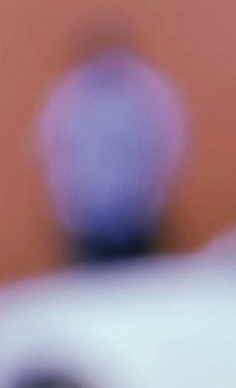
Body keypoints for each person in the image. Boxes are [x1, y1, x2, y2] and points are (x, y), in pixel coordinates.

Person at [36, 42, 187, 263]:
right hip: (87, 218)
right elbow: (53, 152)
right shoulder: (71, 95)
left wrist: (156, 202)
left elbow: (170, 145)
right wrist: (66, 208)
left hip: (139, 217)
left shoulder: (147, 91)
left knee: (136, 285)